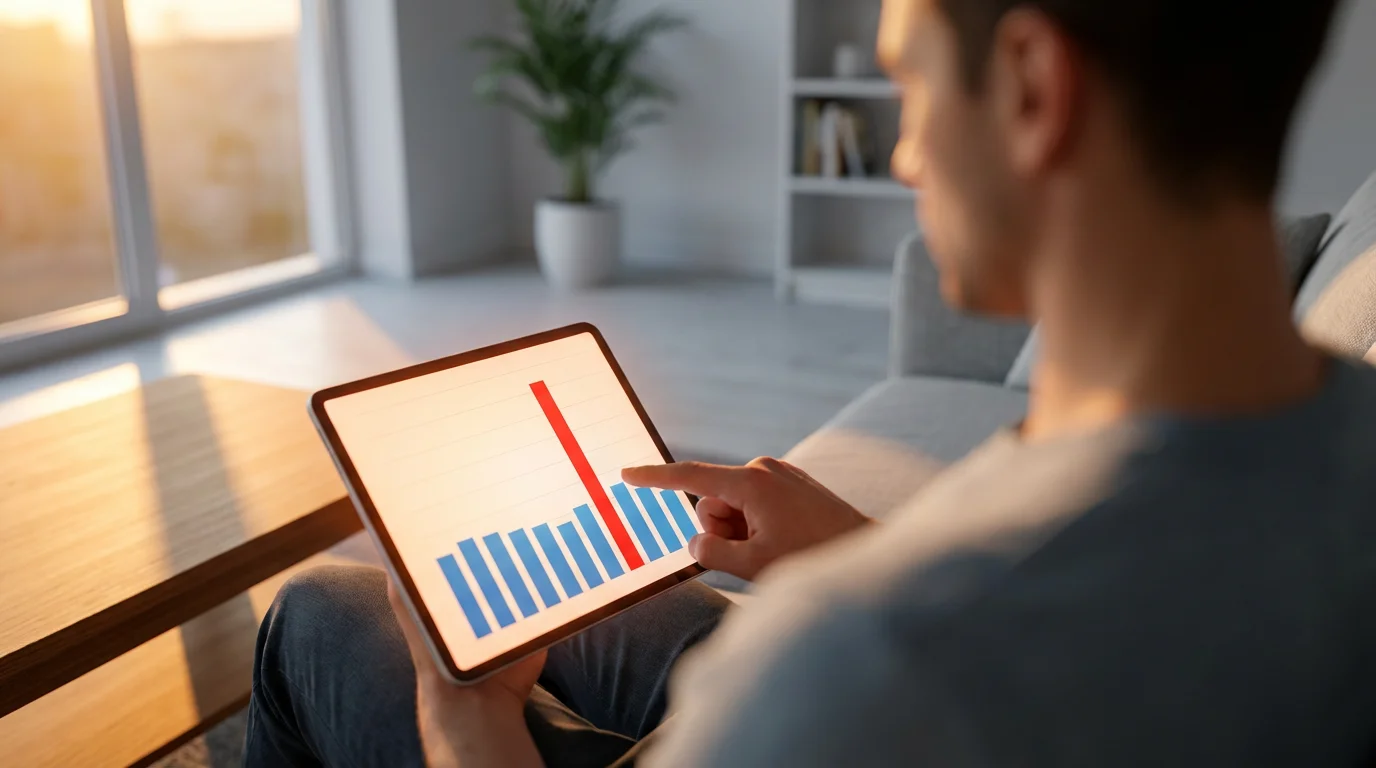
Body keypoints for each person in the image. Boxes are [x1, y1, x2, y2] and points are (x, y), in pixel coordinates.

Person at [246, 0, 1376, 764]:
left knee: (318, 615)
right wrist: (852, 544)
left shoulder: (856, 664)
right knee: (593, 602)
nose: (903, 155)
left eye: (909, 82)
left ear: (1031, 84)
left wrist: (469, 736)